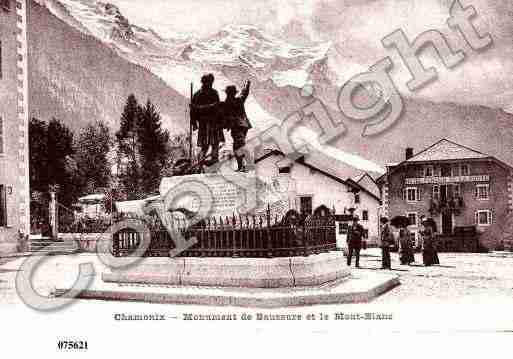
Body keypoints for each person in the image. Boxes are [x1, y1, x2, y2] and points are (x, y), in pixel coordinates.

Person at [190, 73, 225, 165]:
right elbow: (193, 110)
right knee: (210, 143)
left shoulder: (199, 94)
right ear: (205, 82)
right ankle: (205, 161)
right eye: (209, 82)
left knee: (211, 143)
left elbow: (193, 110)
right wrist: (194, 122)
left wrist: (194, 122)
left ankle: (210, 161)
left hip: (209, 123)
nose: (210, 84)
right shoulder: (201, 94)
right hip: (208, 123)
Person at [222, 81, 252, 172]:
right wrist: (247, 85)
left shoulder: (226, 103)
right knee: (240, 145)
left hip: (236, 126)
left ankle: (243, 166)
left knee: (238, 146)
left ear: (228, 93)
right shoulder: (239, 100)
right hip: (243, 125)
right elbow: (244, 93)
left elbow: (224, 117)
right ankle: (244, 166)